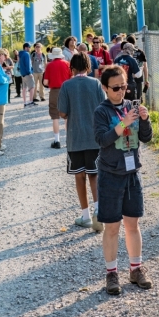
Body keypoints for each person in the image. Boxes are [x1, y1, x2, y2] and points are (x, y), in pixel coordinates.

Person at [93, 65, 153, 295]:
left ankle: (136, 269)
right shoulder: (102, 111)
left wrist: (145, 120)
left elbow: (145, 138)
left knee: (133, 224)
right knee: (112, 227)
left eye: (124, 86)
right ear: (105, 88)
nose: (121, 91)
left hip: (132, 173)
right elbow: (102, 139)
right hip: (110, 175)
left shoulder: (131, 107)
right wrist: (123, 123)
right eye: (116, 88)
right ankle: (111, 273)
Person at [58, 53, 105, 231]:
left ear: (72, 68)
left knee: (80, 176)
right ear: (88, 66)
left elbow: (62, 112)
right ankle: (98, 211)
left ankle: (85, 215)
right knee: (95, 174)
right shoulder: (96, 83)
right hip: (94, 136)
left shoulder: (66, 85)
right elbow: (103, 106)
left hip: (75, 137)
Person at [43, 47, 71, 149]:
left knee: (55, 116)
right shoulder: (67, 64)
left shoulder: (49, 65)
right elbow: (71, 78)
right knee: (67, 116)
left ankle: (57, 140)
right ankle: (69, 140)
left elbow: (45, 82)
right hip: (66, 90)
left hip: (54, 91)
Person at [125, 35, 149, 102]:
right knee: (138, 98)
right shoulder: (141, 52)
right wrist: (146, 79)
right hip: (139, 78)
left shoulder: (125, 53)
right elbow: (145, 67)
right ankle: (137, 111)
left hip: (128, 79)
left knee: (128, 98)